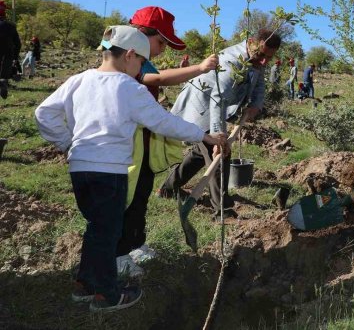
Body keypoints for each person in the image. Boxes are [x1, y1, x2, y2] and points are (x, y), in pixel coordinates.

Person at [34, 25, 227, 312]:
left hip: (80, 169)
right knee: (108, 231)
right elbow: (164, 122)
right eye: (140, 62)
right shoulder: (130, 88)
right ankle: (106, 295)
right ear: (130, 55)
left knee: (96, 227)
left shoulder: (79, 80)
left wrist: (67, 143)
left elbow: (43, 113)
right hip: (110, 171)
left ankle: (85, 284)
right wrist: (205, 136)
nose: (140, 69)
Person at [116, 6, 219, 277]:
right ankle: (119, 255)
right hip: (128, 147)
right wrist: (200, 68)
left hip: (143, 148)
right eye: (161, 41)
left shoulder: (140, 59)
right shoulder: (128, 63)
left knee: (140, 197)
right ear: (140, 34)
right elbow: (158, 79)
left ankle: (135, 244)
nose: (162, 49)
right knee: (126, 200)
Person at [158, 29, 281, 217]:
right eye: (262, 55)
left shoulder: (256, 58)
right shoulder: (231, 63)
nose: (264, 61)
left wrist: (255, 105)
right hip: (202, 107)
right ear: (250, 42)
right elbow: (218, 100)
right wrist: (218, 137)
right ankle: (222, 210)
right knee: (220, 154)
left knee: (201, 153)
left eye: (269, 58)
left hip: (217, 106)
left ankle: (168, 189)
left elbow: (259, 83)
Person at [0, 1, 21, 99]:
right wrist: (15, 57)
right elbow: (18, 44)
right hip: (8, 55)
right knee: (4, 75)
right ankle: (3, 82)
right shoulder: (11, 26)